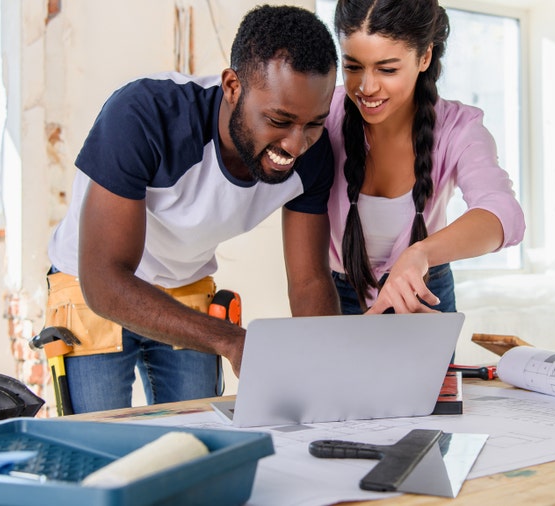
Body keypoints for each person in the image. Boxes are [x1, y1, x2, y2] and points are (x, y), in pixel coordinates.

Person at [43, 5, 340, 414]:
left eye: (313, 123)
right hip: (91, 284)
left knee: (196, 442)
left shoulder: (314, 155)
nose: (294, 145)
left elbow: (309, 281)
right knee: (100, 445)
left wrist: (332, 377)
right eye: (278, 120)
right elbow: (105, 279)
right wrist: (231, 340)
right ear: (232, 87)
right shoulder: (143, 116)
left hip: (185, 283)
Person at [327, 0, 526, 315]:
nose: (366, 87)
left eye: (387, 69)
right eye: (352, 67)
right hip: (336, 292)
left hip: (424, 292)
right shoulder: (323, 115)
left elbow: (503, 215)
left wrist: (421, 254)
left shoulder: (460, 128)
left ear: (425, 57)